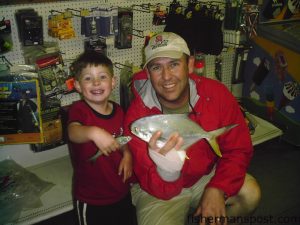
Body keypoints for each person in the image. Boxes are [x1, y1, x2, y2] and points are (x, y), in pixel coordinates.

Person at [124, 32, 261, 225]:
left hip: (203, 176)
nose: (166, 77)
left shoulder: (216, 94)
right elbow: (151, 181)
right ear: (147, 73)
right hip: (155, 188)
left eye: (173, 64)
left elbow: (238, 149)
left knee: (250, 194)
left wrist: (218, 188)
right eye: (156, 67)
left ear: (189, 64)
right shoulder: (137, 118)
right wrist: (168, 172)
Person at [67, 50, 136, 225]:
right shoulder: (78, 110)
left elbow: (122, 138)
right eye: (88, 78)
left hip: (120, 191)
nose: (96, 82)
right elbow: (73, 133)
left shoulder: (119, 110)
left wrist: (127, 155)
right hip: (91, 199)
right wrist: (93, 132)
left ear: (113, 82)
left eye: (102, 77)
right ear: (77, 85)